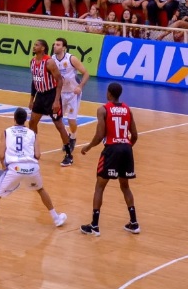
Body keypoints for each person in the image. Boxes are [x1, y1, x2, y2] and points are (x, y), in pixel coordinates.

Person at [0, 107, 68, 237]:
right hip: (32, 168)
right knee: (40, 190)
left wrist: (3, 165)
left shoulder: (6, 132)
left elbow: (1, 154)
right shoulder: (32, 133)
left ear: (14, 119)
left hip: (14, 168)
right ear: (25, 120)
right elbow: (38, 155)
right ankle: (56, 218)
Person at [79, 82, 139, 237]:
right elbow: (135, 135)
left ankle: (94, 226)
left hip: (112, 150)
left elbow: (100, 136)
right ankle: (134, 222)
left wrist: (88, 147)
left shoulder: (103, 110)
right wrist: (125, 147)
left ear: (109, 93)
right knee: (125, 186)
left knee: (100, 187)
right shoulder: (128, 109)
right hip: (126, 149)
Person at [28, 39, 72, 167]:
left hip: (51, 95)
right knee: (32, 122)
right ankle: (34, 149)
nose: (34, 46)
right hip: (40, 96)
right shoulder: (32, 61)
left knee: (59, 125)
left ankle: (69, 154)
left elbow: (59, 81)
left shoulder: (49, 62)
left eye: (36, 45)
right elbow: (34, 81)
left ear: (42, 48)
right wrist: (31, 99)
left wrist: (57, 100)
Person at [52, 38, 90, 151]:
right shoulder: (51, 60)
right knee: (57, 119)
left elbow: (86, 73)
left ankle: (72, 137)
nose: (55, 46)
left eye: (58, 44)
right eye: (54, 44)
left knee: (71, 120)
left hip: (73, 93)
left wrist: (80, 86)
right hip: (60, 93)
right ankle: (66, 139)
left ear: (64, 47)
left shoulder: (71, 58)